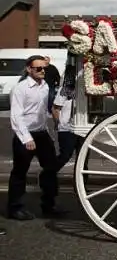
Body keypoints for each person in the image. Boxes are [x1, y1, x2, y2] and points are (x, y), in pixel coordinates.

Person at [7, 55, 64, 221]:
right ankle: (14, 208)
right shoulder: (20, 89)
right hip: (25, 134)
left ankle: (49, 204)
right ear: (29, 69)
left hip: (41, 133)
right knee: (19, 172)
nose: (42, 71)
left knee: (50, 168)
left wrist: (48, 129)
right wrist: (26, 138)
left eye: (43, 68)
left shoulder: (45, 85)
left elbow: (41, 110)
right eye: (38, 68)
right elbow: (16, 116)